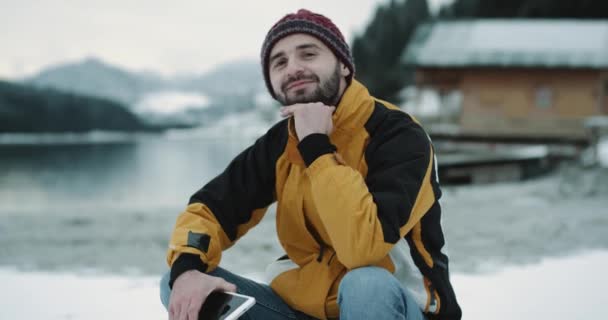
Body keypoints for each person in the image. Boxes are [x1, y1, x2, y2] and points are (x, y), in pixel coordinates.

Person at [160, 9, 462, 320]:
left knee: (365, 284)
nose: (293, 68)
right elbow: (210, 209)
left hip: (396, 305)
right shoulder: (280, 143)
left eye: (308, 54)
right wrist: (187, 268)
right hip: (308, 309)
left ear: (344, 65)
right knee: (180, 285)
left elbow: (362, 250)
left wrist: (317, 148)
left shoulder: (397, 134)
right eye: (280, 62)